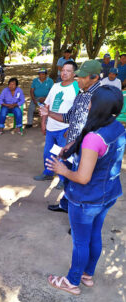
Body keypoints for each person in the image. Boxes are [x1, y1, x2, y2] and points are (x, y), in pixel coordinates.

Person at [46, 86, 125, 296]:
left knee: (80, 241)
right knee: (94, 235)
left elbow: (82, 177)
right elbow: (97, 152)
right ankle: (87, 274)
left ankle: (71, 281)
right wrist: (74, 146)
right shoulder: (117, 127)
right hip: (108, 194)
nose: (88, 104)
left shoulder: (94, 138)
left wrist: (61, 169)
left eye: (91, 101)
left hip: (86, 199)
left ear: (97, 106)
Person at [40, 59, 102, 212]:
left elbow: (95, 127)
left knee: (82, 181)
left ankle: (79, 217)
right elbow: (69, 117)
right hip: (72, 144)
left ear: (94, 77)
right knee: (70, 176)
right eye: (78, 76)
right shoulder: (82, 94)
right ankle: (65, 204)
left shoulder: (99, 96)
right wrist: (48, 114)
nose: (78, 79)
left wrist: (75, 141)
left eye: (82, 76)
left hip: (86, 147)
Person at [34, 62, 79, 189]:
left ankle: (63, 179)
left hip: (65, 128)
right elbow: (46, 105)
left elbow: (78, 111)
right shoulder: (55, 86)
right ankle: (48, 173)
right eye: (63, 70)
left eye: (68, 71)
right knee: (48, 153)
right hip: (51, 127)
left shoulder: (77, 87)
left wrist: (71, 128)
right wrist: (43, 122)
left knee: (63, 155)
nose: (64, 73)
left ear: (74, 73)